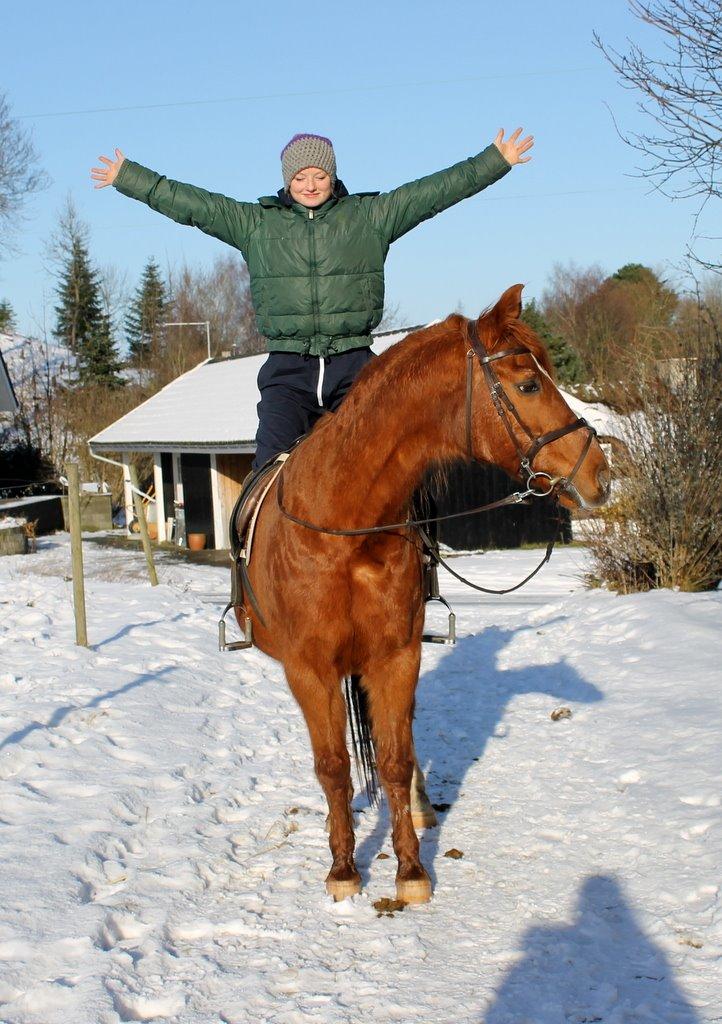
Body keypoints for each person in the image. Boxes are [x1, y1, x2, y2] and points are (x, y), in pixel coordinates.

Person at [91, 129, 533, 469]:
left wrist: (495, 161)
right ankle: (248, 569)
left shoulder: (369, 218)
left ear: (333, 176)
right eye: (300, 177)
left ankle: (419, 559)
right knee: (269, 467)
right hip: (288, 370)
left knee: (388, 463)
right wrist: (129, 177)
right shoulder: (256, 225)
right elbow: (193, 205)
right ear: (287, 180)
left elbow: (432, 193)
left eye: (319, 175)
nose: (310, 184)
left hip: (354, 367)